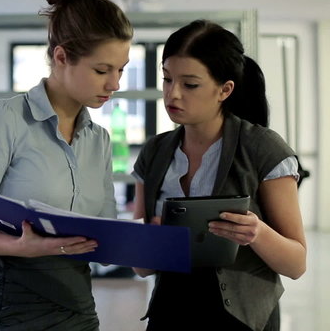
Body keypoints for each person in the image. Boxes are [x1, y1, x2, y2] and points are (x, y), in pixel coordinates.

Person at [0, 0, 132, 330]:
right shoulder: (5, 118)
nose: (115, 84)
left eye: (121, 69)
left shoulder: (99, 139)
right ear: (61, 56)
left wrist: (142, 240)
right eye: (102, 70)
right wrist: (24, 247)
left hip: (77, 306)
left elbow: (103, 235)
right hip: (9, 305)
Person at [131, 20, 307, 331]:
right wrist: (146, 241)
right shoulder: (155, 152)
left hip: (241, 318)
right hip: (170, 312)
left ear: (225, 90)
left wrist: (258, 233)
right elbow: (142, 266)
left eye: (190, 84)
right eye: (167, 79)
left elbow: (296, 264)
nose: (173, 94)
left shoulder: (263, 148)